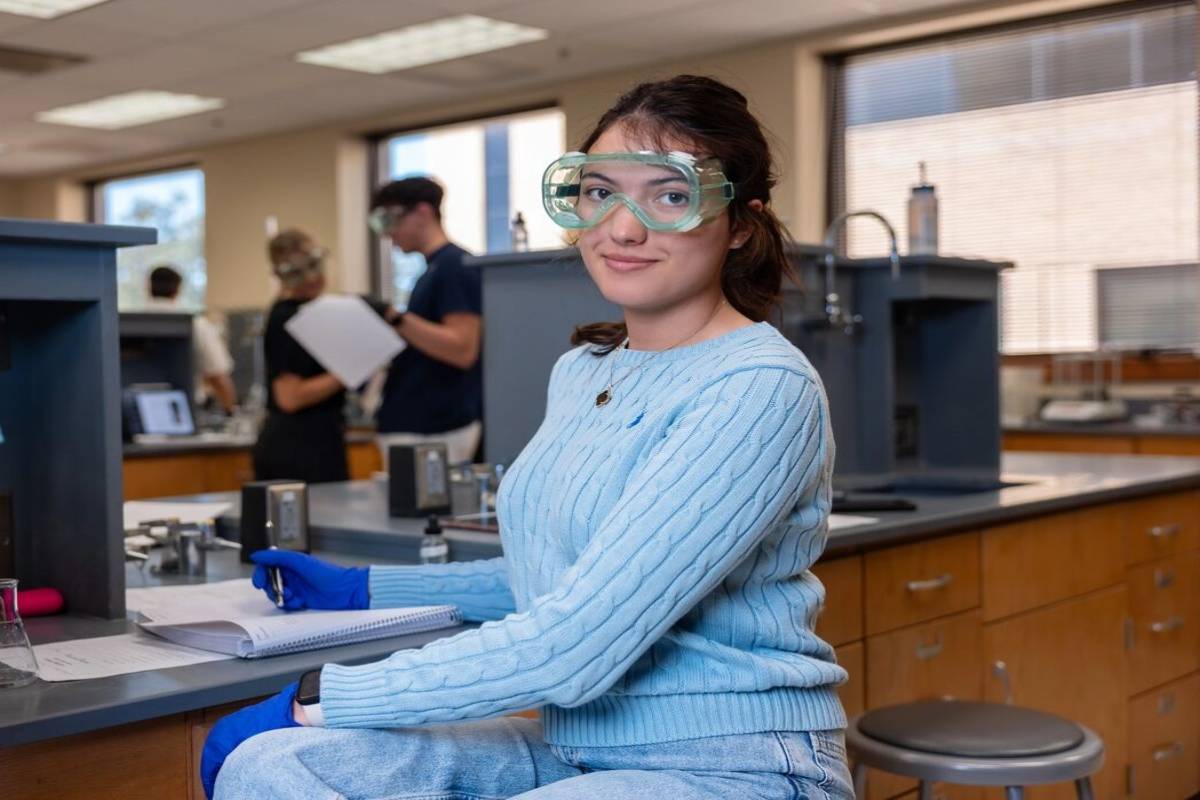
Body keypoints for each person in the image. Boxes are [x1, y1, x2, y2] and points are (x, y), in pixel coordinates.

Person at [202, 74, 852, 800]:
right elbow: (556, 581)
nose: (623, 227)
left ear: (741, 222)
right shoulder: (585, 370)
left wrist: (316, 696)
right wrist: (364, 588)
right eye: (600, 192)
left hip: (733, 760)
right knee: (271, 767)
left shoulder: (758, 387)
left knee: (294, 734)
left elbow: (573, 641)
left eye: (670, 195)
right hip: (574, 746)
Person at [368, 177, 483, 466]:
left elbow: (462, 348)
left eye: (390, 220)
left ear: (422, 212)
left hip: (436, 430)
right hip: (421, 427)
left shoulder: (454, 267)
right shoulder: (433, 270)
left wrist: (391, 316)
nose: (388, 233)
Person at [250, 230, 349, 484]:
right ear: (280, 275)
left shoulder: (311, 312)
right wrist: (350, 369)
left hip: (319, 439)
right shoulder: (288, 318)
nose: (312, 278)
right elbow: (290, 397)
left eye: (315, 265)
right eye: (297, 272)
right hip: (299, 447)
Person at [145, 265, 237, 414]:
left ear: (148, 288)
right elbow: (218, 376)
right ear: (177, 290)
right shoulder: (197, 325)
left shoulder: (128, 324)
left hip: (139, 409)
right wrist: (230, 410)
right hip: (184, 411)